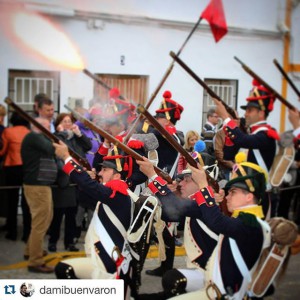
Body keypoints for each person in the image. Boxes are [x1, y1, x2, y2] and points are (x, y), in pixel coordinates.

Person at [136, 156, 270, 300]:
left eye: (233, 192)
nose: (228, 196)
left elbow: (215, 221)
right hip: (214, 284)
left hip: (221, 293)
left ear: (249, 196)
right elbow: (172, 212)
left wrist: (202, 185)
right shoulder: (243, 219)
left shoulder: (249, 224)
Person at [53, 141, 136, 300]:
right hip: (102, 258)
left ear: (117, 176)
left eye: (105, 170)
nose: (100, 173)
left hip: (110, 262)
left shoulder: (119, 193)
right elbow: (86, 194)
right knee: (64, 269)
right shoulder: (111, 193)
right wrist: (87, 179)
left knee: (65, 270)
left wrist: (67, 157)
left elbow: (89, 185)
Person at [213, 80, 279, 215]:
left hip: (258, 196)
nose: (246, 114)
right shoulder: (250, 135)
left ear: (261, 113)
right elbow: (228, 155)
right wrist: (233, 131)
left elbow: (243, 140)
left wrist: (226, 118)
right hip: (243, 194)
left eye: (250, 110)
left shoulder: (267, 134)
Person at [138, 90, 184, 278]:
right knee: (155, 229)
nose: (157, 118)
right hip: (155, 184)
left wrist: (139, 131)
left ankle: (165, 268)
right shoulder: (161, 132)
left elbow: (148, 140)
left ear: (167, 118)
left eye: (159, 116)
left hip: (164, 186)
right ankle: (163, 267)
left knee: (163, 229)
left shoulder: (174, 134)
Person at [47, 113, 91, 252]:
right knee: (58, 214)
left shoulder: (75, 137)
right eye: (64, 121)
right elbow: (58, 153)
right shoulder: (58, 137)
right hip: (63, 179)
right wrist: (60, 134)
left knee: (72, 214)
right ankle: (53, 241)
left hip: (76, 180)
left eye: (69, 121)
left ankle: (69, 242)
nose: (67, 123)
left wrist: (79, 134)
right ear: (59, 123)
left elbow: (88, 146)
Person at [21, 117, 57, 273]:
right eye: (47, 127)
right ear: (37, 126)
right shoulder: (33, 137)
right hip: (37, 186)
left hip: (40, 185)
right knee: (40, 222)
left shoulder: (37, 138)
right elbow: (51, 149)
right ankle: (35, 261)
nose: (49, 130)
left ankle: (31, 251)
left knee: (43, 219)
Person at [0, 112, 30, 241]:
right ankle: (26, 233)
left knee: (11, 201)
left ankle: (12, 232)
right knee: (26, 201)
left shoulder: (8, 132)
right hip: (27, 168)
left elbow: (3, 150)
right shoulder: (29, 133)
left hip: (12, 168)